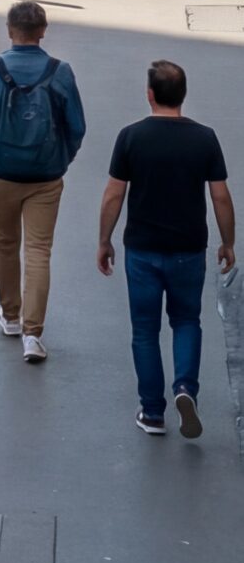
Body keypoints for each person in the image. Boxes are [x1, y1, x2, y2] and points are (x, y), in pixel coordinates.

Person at [98, 60, 235, 437]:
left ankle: (152, 412)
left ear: (150, 95)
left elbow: (114, 194)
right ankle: (186, 388)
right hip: (188, 249)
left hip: (142, 248)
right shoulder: (204, 138)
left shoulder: (131, 137)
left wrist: (104, 240)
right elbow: (220, 196)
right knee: (187, 321)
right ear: (183, 95)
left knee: (145, 330)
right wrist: (228, 242)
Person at [0, 0, 87, 363]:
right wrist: (62, 160)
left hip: (2, 171)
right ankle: (33, 334)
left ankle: (10, 316)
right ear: (43, 31)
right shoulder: (60, 72)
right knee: (39, 251)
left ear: (10, 31)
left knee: (5, 243)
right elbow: (76, 128)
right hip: (46, 175)